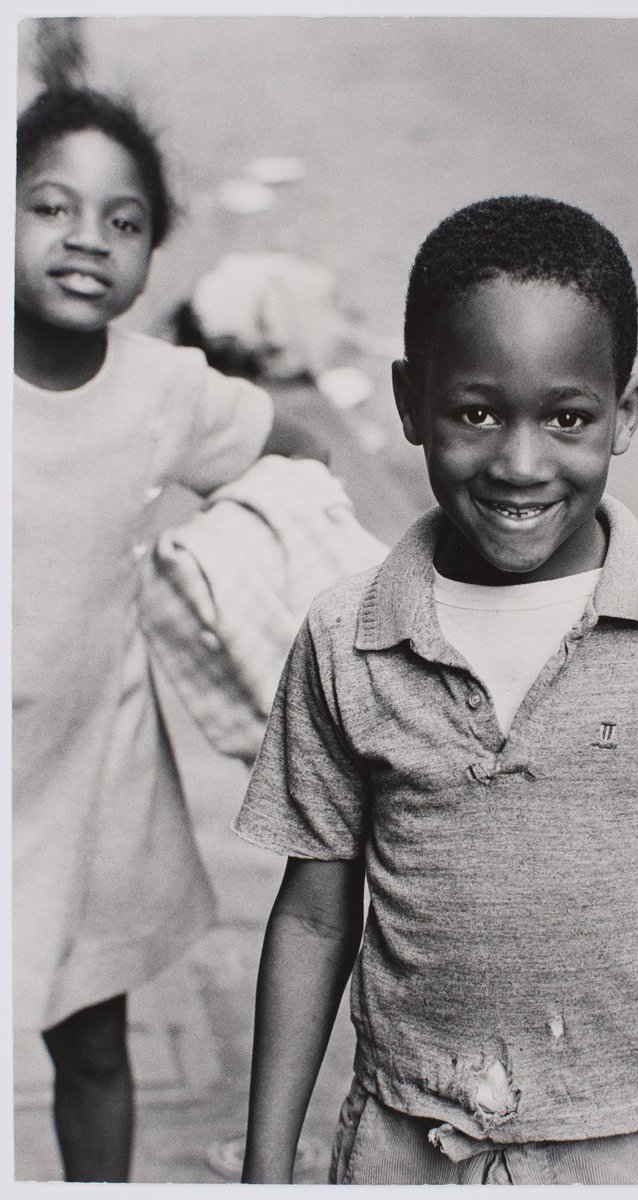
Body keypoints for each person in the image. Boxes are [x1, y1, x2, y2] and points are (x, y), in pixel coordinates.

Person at [234, 196, 638, 1185]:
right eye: (473, 412)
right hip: (404, 1140)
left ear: (622, 412)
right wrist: (264, 1167)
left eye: (565, 417)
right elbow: (310, 917)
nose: (517, 463)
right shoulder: (348, 638)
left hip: (628, 1149)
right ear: (407, 401)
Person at [12, 86, 322, 1182]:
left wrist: (242, 562)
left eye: (124, 220)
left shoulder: (165, 391)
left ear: (152, 252)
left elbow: (293, 446)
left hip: (89, 770)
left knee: (91, 1040)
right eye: (51, 206)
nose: (87, 239)